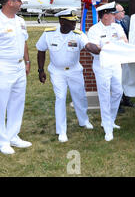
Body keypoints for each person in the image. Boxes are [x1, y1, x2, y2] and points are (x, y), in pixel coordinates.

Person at [36, 9, 99, 142]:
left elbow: (87, 45)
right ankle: (61, 131)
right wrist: (41, 70)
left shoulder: (78, 34)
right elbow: (41, 50)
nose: (75, 24)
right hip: (57, 71)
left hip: (75, 71)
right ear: (62, 21)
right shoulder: (49, 34)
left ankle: (83, 121)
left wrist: (99, 49)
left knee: (80, 96)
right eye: (71, 22)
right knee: (60, 98)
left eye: (75, 21)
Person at [87, 2, 128, 142]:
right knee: (104, 95)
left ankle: (109, 120)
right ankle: (108, 130)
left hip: (115, 63)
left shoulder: (116, 26)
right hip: (102, 65)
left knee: (118, 92)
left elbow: (125, 40)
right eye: (112, 14)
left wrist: (108, 46)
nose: (114, 16)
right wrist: (109, 46)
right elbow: (95, 48)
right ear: (105, 16)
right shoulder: (94, 30)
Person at [0, 0, 32, 155]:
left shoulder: (20, 20)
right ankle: (2, 140)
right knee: (1, 103)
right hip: (3, 66)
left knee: (17, 102)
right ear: (10, 2)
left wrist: (27, 61)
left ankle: (13, 135)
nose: (21, 3)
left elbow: (24, 42)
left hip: (19, 66)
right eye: (19, 0)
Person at [114, 3, 135, 109]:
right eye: (122, 11)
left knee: (126, 77)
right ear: (116, 13)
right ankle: (118, 104)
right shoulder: (111, 26)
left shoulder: (125, 21)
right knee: (117, 80)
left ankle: (127, 99)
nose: (124, 13)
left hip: (126, 55)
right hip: (117, 57)